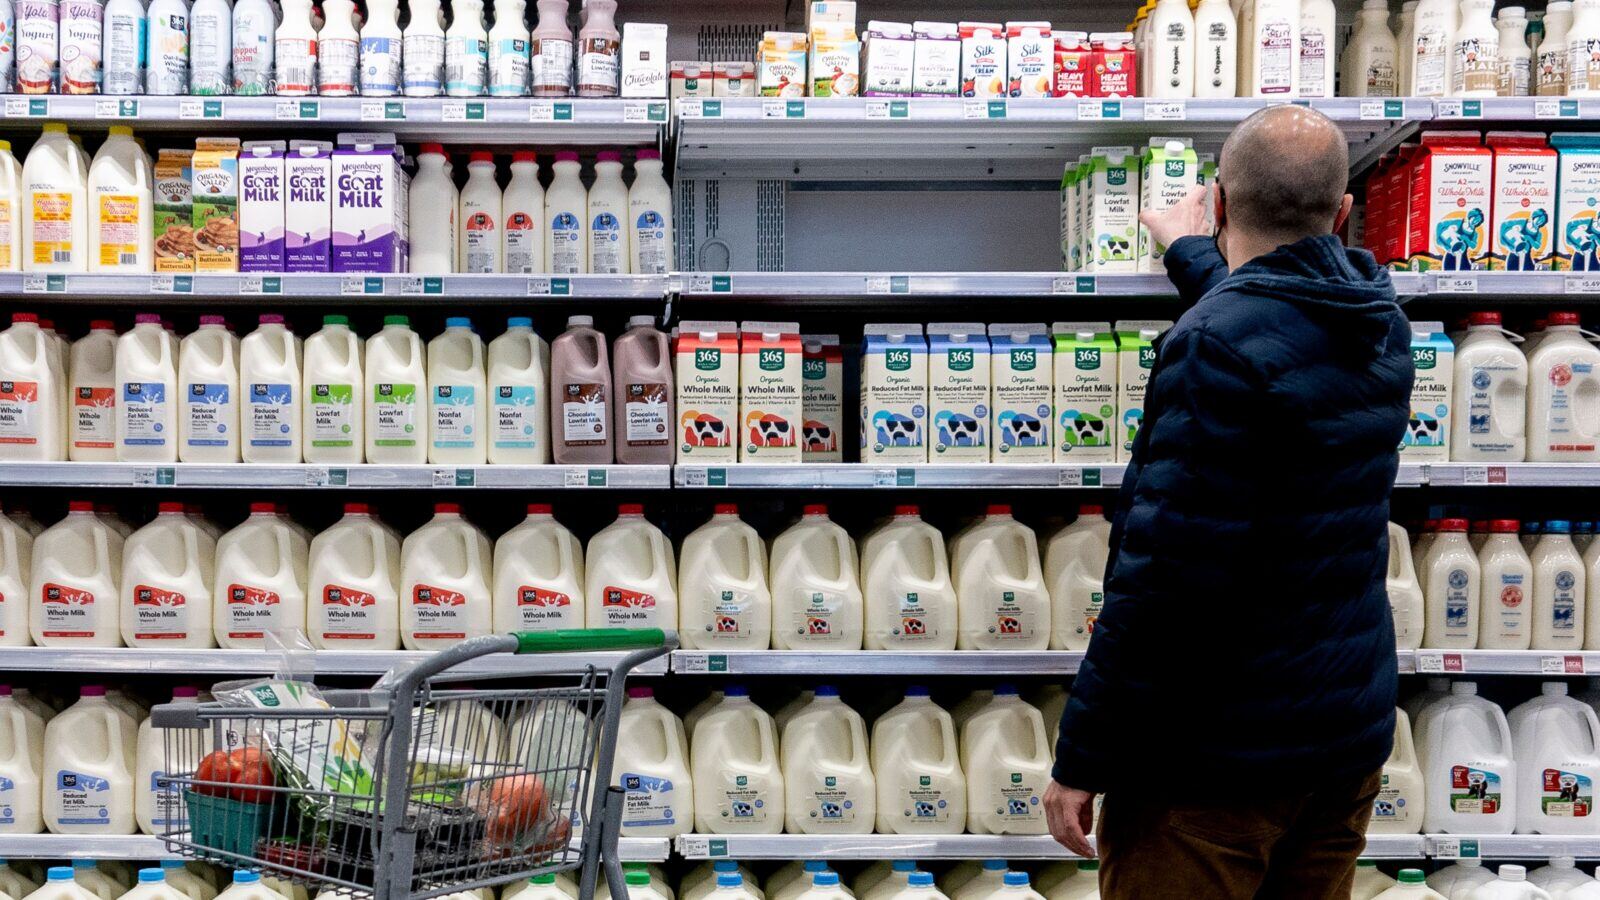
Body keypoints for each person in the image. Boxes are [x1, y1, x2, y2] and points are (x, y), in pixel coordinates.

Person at [1043, 106, 1415, 898]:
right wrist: (1193, 261)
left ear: (1217, 202)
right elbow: (1276, 336)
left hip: (1217, 763)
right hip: (1342, 742)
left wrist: (1082, 757)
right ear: (1342, 212)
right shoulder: (1378, 319)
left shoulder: (1212, 346)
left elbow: (1163, 584)